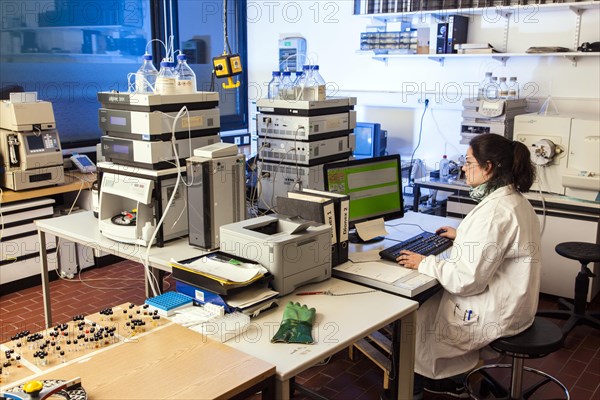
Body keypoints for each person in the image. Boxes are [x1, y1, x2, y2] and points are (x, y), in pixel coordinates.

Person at [397, 134, 541, 399]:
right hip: (520, 306)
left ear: (488, 167)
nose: (463, 168)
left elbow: (466, 281)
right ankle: (444, 377)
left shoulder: (494, 213)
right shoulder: (514, 201)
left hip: (495, 313)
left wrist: (424, 262)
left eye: (468, 161)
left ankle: (416, 387)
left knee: (413, 318)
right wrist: (462, 235)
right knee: (428, 306)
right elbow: (499, 244)